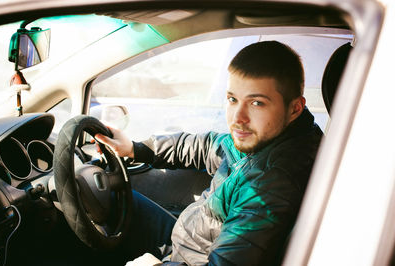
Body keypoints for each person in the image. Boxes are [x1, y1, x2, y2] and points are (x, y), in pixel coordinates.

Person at [95, 41, 323, 265]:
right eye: (232, 99)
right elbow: (209, 145)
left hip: (191, 258)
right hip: (187, 242)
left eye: (256, 103)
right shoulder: (272, 139)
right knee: (109, 198)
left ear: (295, 108)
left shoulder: (272, 186)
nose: (238, 118)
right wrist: (137, 149)